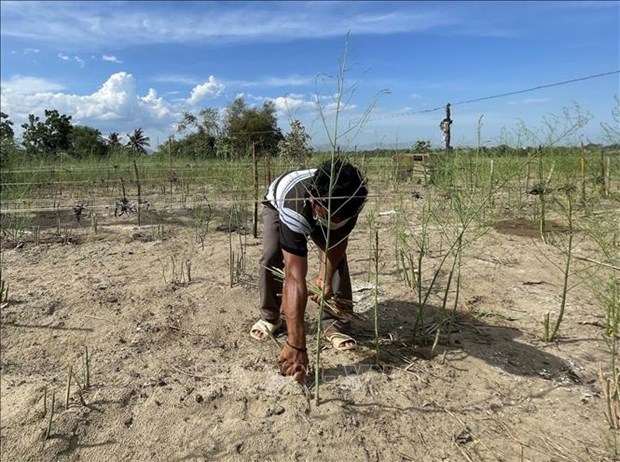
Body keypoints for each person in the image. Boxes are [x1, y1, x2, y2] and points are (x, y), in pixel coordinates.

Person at [250, 158, 368, 382]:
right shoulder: (294, 204)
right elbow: (295, 277)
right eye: (328, 216)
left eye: (339, 218)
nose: (334, 222)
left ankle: (336, 322)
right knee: (272, 255)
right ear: (314, 200)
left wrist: (325, 274)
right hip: (280, 201)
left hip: (329, 205)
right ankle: (271, 317)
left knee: (338, 263)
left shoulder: (354, 198)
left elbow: (338, 240)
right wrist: (297, 344)